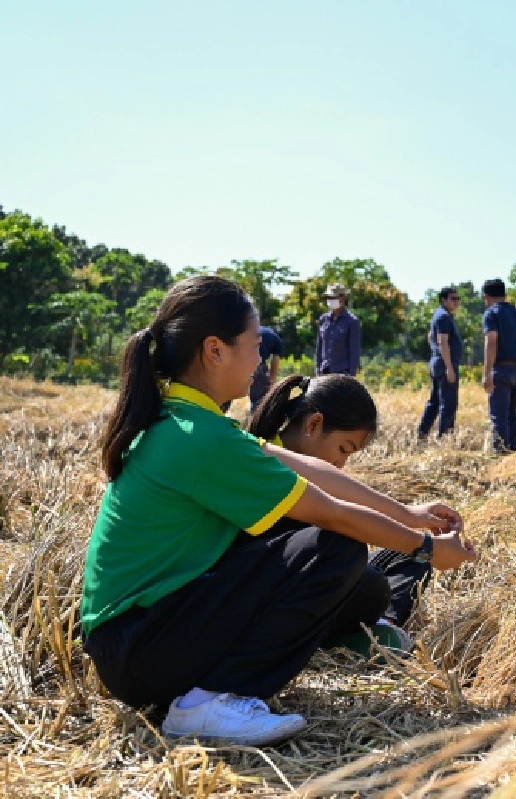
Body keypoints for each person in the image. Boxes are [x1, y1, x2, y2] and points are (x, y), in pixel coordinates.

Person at [81, 275, 477, 747]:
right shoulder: (199, 438)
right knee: (337, 548)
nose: (260, 359)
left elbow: (311, 468)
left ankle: (214, 690)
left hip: (135, 642)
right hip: (141, 648)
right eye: (254, 345)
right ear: (215, 350)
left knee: (346, 560)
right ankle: (208, 701)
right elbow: (332, 514)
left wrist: (408, 515)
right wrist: (426, 549)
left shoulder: (188, 422)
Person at [248, 372, 439, 631]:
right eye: (342, 450)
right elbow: (337, 521)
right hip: (277, 591)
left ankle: (385, 625)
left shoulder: (314, 471)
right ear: (313, 425)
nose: (341, 464)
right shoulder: (264, 465)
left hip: (314, 576)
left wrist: (415, 527)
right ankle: (371, 629)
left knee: (410, 555)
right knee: (370, 582)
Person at [481, 278, 516, 453]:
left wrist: (487, 373)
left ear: (486, 297)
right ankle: (513, 451)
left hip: (501, 369)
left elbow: (491, 342)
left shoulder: (491, 314)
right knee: (513, 414)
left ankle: (500, 453)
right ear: (505, 295)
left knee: (499, 415)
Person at [417, 287, 464, 439]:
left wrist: (435, 353)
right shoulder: (443, 317)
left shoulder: (441, 315)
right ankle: (444, 438)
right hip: (445, 364)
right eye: (453, 299)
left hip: (438, 361)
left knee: (435, 401)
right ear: (443, 300)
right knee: (448, 403)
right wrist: (449, 368)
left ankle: (422, 433)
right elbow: (443, 342)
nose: (456, 302)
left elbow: (430, 336)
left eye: (458, 299)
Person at [315, 283, 361, 376]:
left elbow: (354, 351)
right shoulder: (323, 319)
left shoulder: (352, 321)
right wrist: (318, 369)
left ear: (342, 298)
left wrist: (351, 375)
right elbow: (319, 347)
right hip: (324, 371)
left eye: (333, 297)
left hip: (342, 372)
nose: (330, 300)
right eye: (329, 298)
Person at [248, 324, 284, 409]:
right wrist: (272, 381)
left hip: (237, 358)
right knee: (260, 398)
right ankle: (256, 414)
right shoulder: (277, 340)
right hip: (255, 363)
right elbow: (275, 362)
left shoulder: (260, 329)